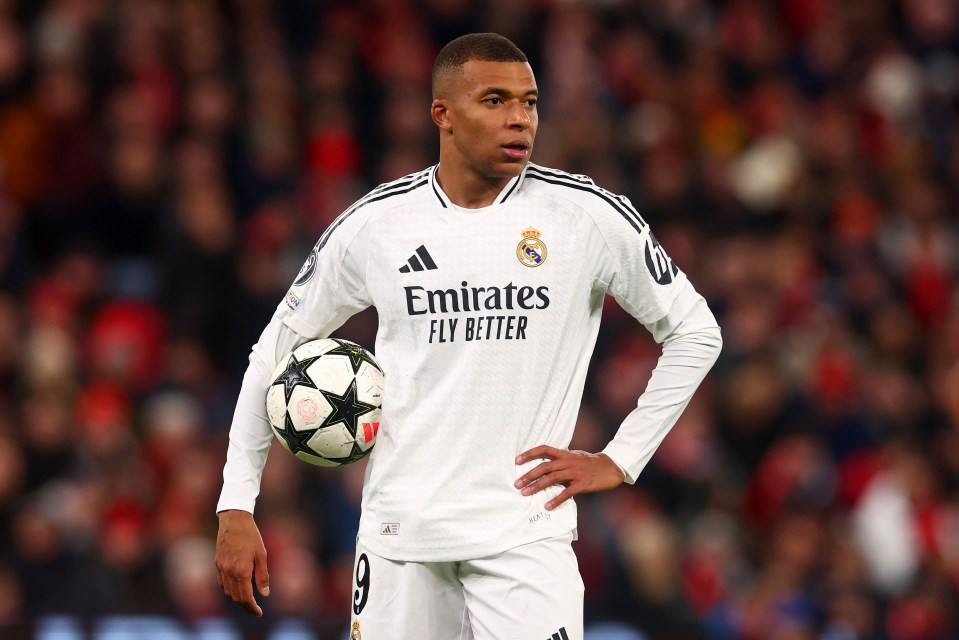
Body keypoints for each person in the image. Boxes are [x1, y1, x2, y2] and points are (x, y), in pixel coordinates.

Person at [215, 32, 722, 639]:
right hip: (401, 537)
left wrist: (621, 457)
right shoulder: (377, 225)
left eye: (530, 102)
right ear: (443, 115)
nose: (519, 119)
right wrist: (235, 504)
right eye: (495, 100)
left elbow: (696, 331)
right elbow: (272, 353)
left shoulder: (585, 216)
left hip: (525, 537)